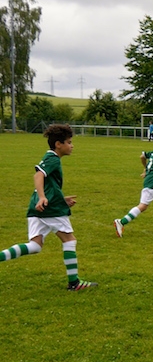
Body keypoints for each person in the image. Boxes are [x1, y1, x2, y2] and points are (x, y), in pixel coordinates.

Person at [0, 125, 98, 291]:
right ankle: (74, 283)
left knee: (35, 246)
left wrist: (60, 199)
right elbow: (38, 175)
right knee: (69, 240)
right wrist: (43, 197)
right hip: (49, 207)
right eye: (69, 142)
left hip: (38, 206)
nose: (72, 146)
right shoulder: (53, 158)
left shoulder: (50, 158)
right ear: (58, 144)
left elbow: (48, 184)